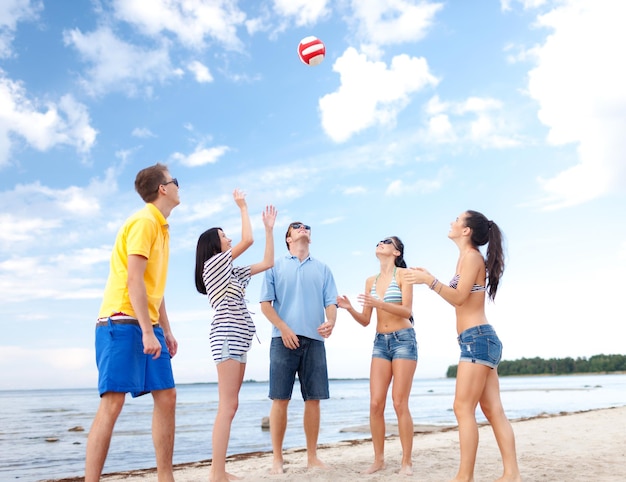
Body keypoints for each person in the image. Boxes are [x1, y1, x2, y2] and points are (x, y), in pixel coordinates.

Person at [404, 210, 522, 482]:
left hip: (476, 339)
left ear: (466, 230)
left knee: (462, 408)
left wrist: (430, 281)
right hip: (480, 339)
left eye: (457, 219)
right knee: (493, 410)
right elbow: (461, 295)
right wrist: (429, 277)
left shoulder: (471, 257)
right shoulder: (465, 259)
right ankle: (511, 474)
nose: (452, 222)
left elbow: (458, 298)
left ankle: (464, 476)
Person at [85, 163, 180, 482]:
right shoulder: (143, 221)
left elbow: (156, 287)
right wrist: (145, 330)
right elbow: (134, 281)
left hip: (146, 324)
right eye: (174, 181)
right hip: (122, 321)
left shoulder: (162, 228)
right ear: (163, 189)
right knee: (113, 403)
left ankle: (166, 478)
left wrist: (165, 330)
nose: (179, 186)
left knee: (167, 396)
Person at [194, 189, 277, 482]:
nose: (228, 238)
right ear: (214, 244)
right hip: (226, 337)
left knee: (231, 405)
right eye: (224, 235)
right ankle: (216, 473)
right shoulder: (213, 264)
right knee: (227, 406)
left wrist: (269, 230)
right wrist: (243, 207)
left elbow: (267, 262)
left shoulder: (233, 272)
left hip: (239, 339)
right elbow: (247, 241)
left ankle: (220, 469)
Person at [260, 221, 338, 474]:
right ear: (288, 238)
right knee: (280, 399)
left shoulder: (323, 268)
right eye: (296, 227)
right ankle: (277, 459)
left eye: (307, 227)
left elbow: (330, 302)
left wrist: (332, 321)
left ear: (310, 239)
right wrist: (283, 328)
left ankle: (312, 457)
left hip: (315, 340)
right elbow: (265, 304)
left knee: (313, 399)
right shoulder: (275, 266)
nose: (303, 228)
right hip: (282, 340)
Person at [337, 236, 417, 475]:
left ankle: (406, 462)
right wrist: (350, 308)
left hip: (403, 339)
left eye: (387, 242)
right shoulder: (370, 281)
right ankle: (379, 460)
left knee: (399, 402)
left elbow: (407, 310)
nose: (380, 243)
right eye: (379, 241)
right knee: (375, 404)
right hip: (380, 343)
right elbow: (365, 320)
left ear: (396, 252)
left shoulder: (404, 275)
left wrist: (379, 303)